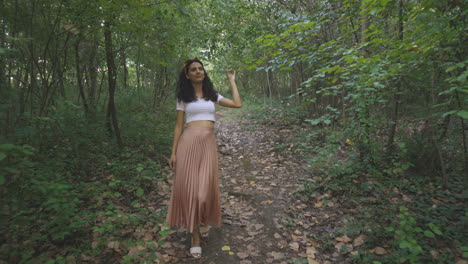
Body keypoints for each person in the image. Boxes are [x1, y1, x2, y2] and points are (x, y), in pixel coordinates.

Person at [166, 57, 242, 258]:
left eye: (201, 68)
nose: (199, 71)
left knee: (203, 193)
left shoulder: (212, 95)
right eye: (194, 69)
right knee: (192, 192)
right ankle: (195, 237)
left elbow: (237, 104)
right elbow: (178, 126)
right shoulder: (183, 97)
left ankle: (201, 220)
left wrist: (231, 80)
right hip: (188, 144)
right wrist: (173, 152)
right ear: (187, 74)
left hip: (207, 145)